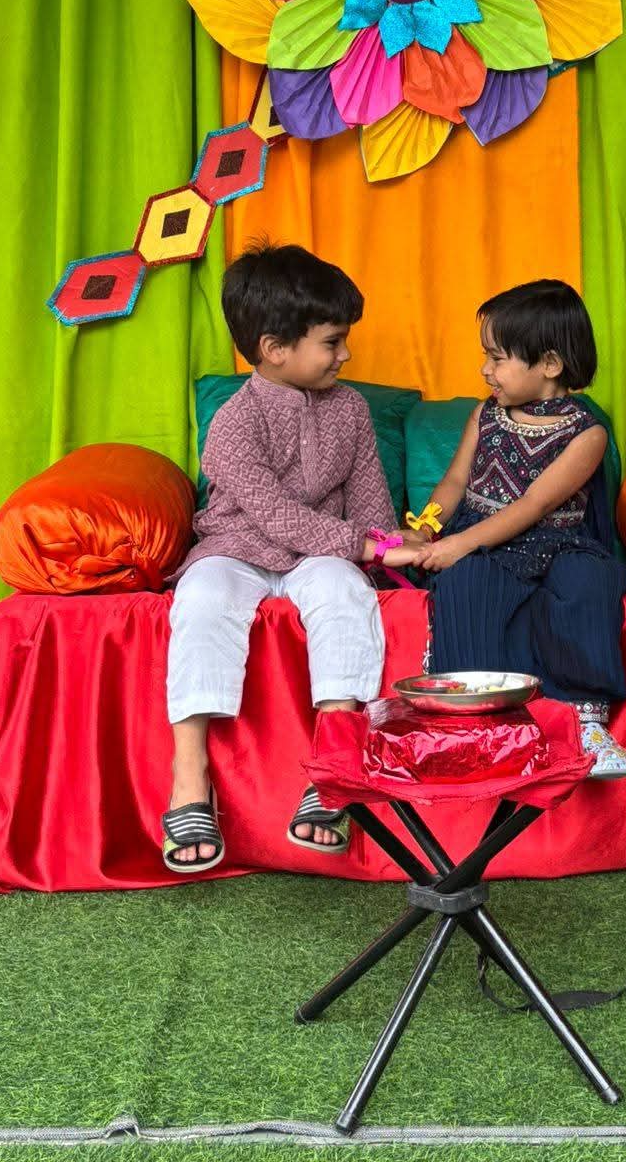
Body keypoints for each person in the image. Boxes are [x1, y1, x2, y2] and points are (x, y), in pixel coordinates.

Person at [162, 242, 424, 872]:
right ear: (275, 348)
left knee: (343, 590)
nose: (346, 354)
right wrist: (357, 543)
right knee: (201, 598)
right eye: (332, 342)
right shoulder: (233, 423)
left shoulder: (352, 410)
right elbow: (272, 516)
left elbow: (368, 508)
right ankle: (189, 773)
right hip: (237, 549)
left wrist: (398, 549)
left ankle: (333, 762)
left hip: (318, 559)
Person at [417, 280, 626, 778]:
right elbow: (454, 481)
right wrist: (427, 530)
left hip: (557, 541)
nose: (484, 369)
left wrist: (459, 543)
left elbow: (535, 505)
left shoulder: (587, 433)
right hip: (484, 540)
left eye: (497, 359)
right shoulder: (487, 413)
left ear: (550, 365)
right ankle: (483, 725)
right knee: (466, 582)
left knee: (589, 582)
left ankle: (587, 722)